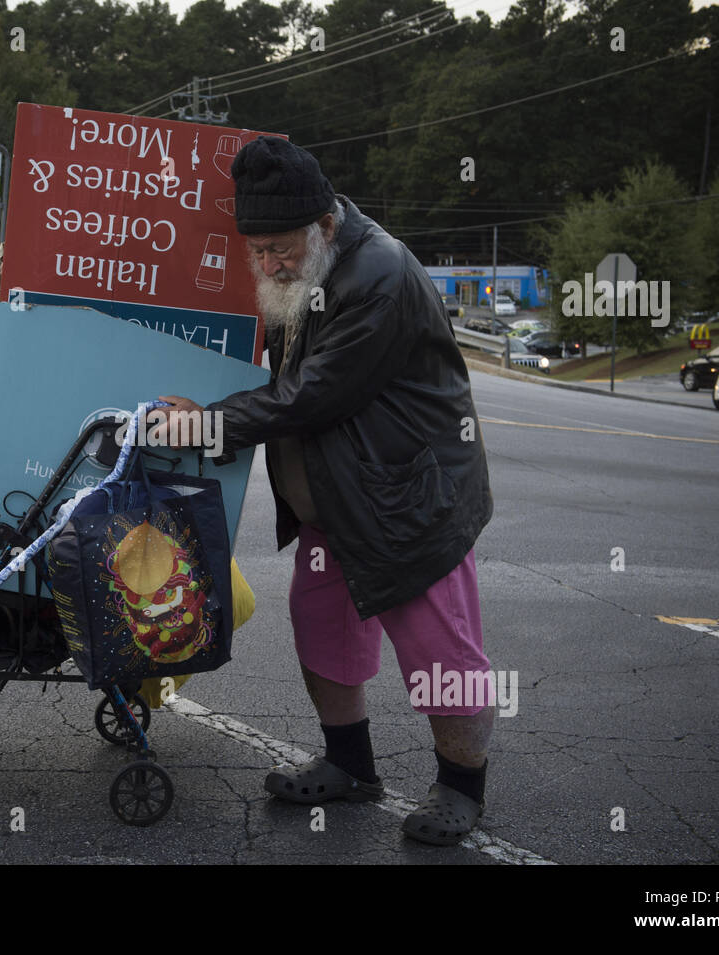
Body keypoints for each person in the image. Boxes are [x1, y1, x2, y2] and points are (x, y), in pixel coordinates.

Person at [151, 137, 496, 846]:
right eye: (257, 250)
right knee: (323, 630)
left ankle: (462, 786)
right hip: (334, 506)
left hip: (407, 503)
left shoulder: (380, 276)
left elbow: (312, 395)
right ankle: (349, 762)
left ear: (326, 226)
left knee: (440, 654)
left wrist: (206, 427)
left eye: (279, 248)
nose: (268, 264)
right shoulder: (302, 270)